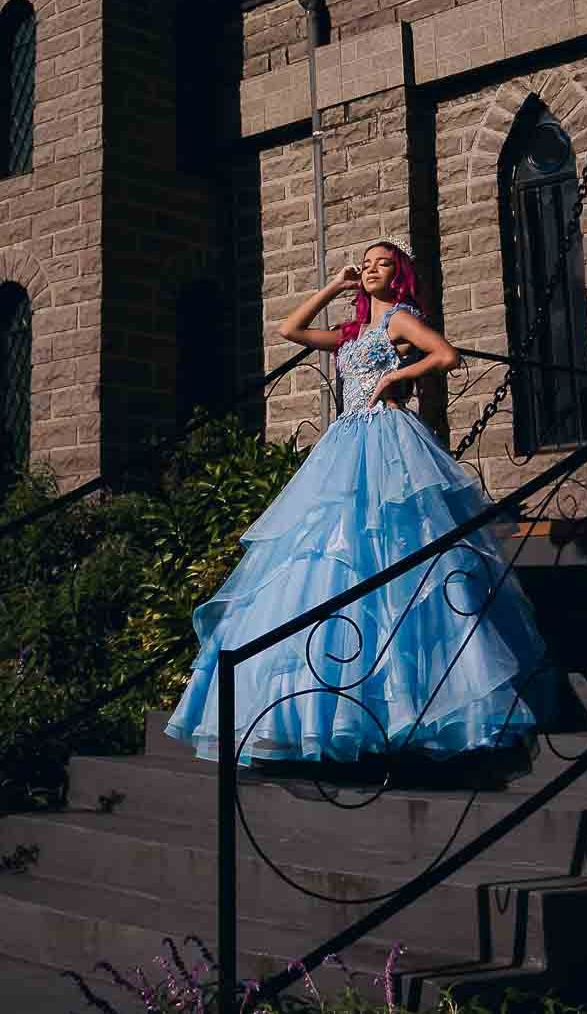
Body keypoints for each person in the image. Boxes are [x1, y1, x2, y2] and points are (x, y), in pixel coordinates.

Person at [164, 242, 554, 766]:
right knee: (325, 556)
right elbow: (289, 330)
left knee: (396, 550)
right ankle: (320, 714)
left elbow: (447, 355)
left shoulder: (401, 318)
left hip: (389, 439)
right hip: (344, 442)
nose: (370, 269)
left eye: (381, 263)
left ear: (399, 275)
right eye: (366, 263)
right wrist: (335, 286)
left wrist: (397, 376)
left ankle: (409, 706)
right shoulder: (350, 334)